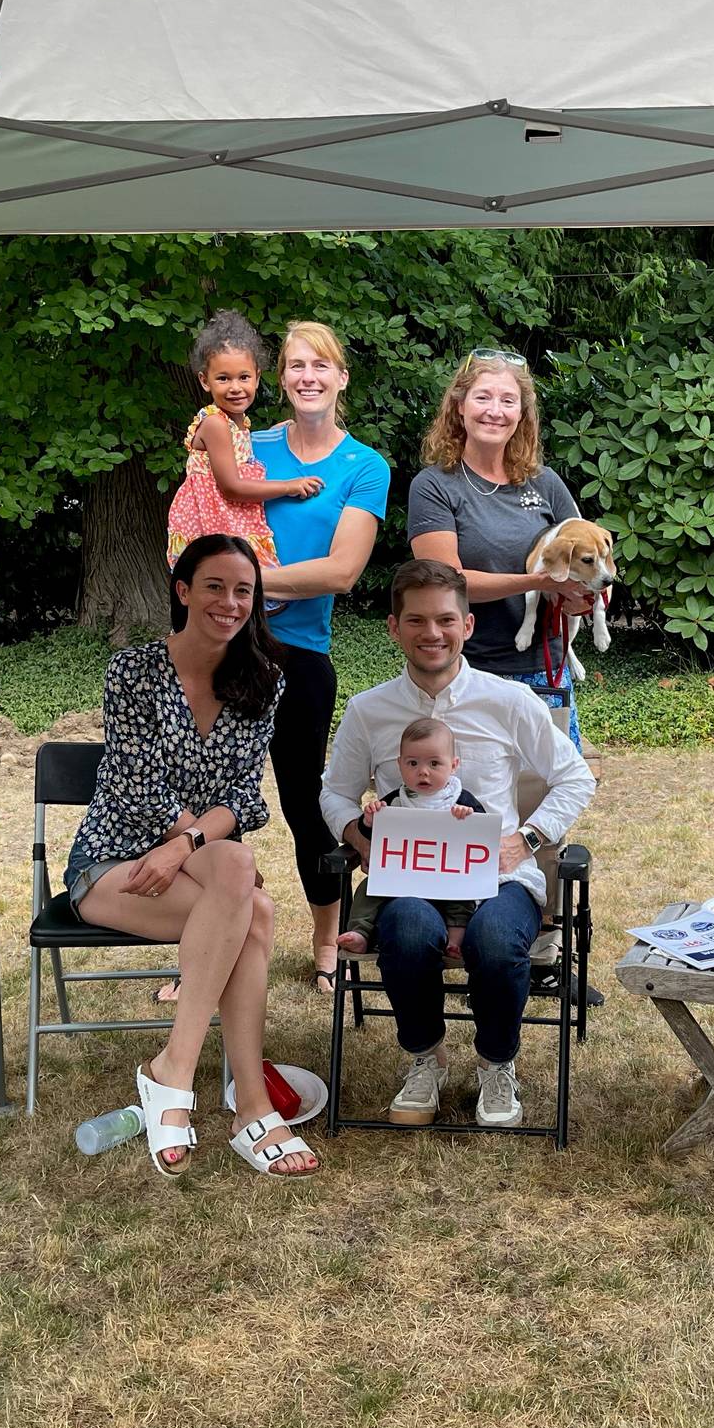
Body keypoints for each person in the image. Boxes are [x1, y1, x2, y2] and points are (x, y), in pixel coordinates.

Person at [65, 534, 319, 1179]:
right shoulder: (134, 671)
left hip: (197, 854)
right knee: (253, 907)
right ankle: (250, 1107)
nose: (229, 602)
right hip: (116, 858)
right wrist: (194, 841)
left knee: (235, 867)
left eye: (243, 591)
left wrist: (186, 845)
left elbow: (244, 796)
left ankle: (174, 1072)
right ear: (183, 591)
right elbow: (136, 786)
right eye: (214, 586)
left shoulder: (264, 679)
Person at [320, 560, 596, 1128]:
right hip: (409, 881)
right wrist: (360, 841)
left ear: (467, 625)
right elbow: (335, 794)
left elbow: (575, 778)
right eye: (416, 620)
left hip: (500, 878)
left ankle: (497, 1062)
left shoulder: (510, 700)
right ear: (393, 627)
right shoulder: (369, 710)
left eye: (446, 619)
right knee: (406, 929)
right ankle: (426, 1057)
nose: (432, 633)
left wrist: (525, 840)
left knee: (494, 941)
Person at [252, 321, 390, 994]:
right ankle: (212, 942)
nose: (308, 376)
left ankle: (328, 941)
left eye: (321, 365)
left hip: (300, 656)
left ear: (341, 378)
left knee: (304, 804)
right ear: (281, 378)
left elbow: (341, 572)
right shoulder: (246, 450)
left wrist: (246, 583)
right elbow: (197, 534)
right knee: (206, 801)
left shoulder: (364, 466)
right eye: (295, 365)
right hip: (222, 649)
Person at [407, 349, 597, 750]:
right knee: (462, 788)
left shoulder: (546, 483)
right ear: (460, 406)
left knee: (551, 786)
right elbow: (446, 584)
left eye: (508, 401)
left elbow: (592, 563)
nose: (495, 411)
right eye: (483, 397)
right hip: (464, 672)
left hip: (544, 672)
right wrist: (539, 581)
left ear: (521, 414)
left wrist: (585, 597)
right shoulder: (434, 486)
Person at [165, 310, 322, 584]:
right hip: (213, 524)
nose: (235, 387)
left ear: (257, 378)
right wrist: (289, 486)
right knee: (234, 585)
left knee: (248, 589)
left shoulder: (238, 424)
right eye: (223, 379)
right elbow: (232, 487)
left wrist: (276, 432)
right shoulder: (215, 424)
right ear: (205, 381)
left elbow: (239, 451)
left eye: (244, 377)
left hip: (229, 519)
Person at [334, 716, 490, 960]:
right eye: (413, 763)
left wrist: (468, 818)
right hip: (402, 884)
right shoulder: (395, 801)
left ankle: (455, 941)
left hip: (449, 880)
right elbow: (370, 837)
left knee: (463, 900)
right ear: (400, 764)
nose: (423, 771)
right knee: (369, 890)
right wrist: (369, 822)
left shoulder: (460, 799)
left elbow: (482, 835)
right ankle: (360, 933)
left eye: (434, 763)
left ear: (453, 765)